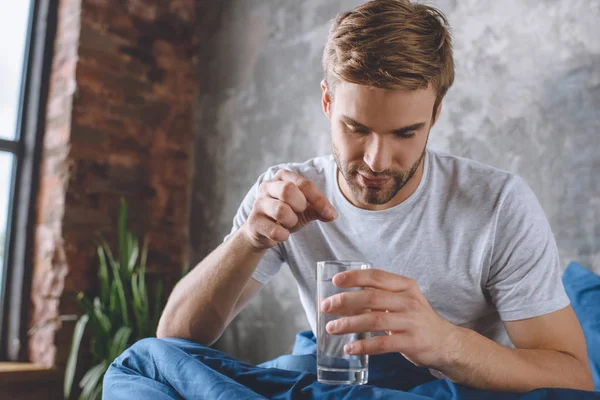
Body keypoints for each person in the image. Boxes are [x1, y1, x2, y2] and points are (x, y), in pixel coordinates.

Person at [103, 0, 593, 397]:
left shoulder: (498, 204)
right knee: (142, 364)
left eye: (405, 132)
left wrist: (443, 342)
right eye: (356, 128)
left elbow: (573, 378)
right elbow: (177, 337)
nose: (378, 161)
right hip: (329, 378)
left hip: (443, 388)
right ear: (327, 102)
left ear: (436, 114)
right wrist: (247, 240)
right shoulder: (286, 189)